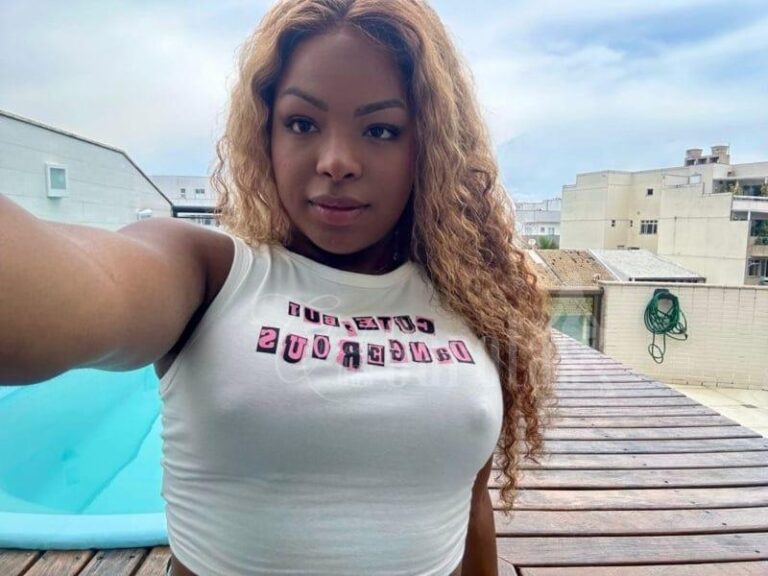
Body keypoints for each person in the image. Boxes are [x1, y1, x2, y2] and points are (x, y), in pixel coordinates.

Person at [0, 0, 557, 574]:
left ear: (430, 146)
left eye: (380, 130)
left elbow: (469, 506)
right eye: (302, 123)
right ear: (265, 133)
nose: (336, 162)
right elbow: (67, 288)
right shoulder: (209, 273)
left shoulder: (472, 299)